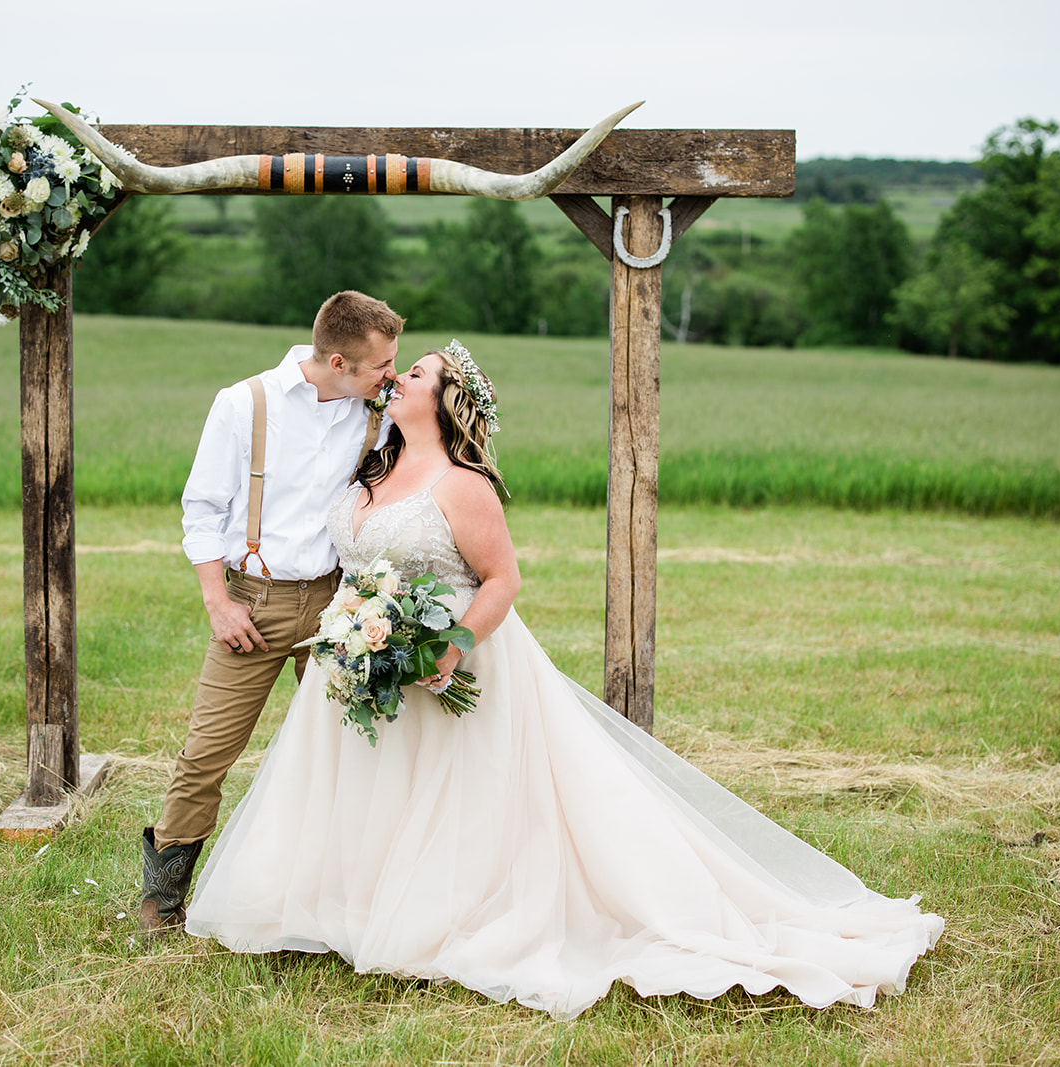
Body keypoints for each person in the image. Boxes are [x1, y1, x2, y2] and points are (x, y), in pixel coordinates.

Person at [182, 341, 945, 1017]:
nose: (398, 376)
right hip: (359, 652)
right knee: (365, 785)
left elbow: (503, 578)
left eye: (412, 372)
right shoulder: (369, 460)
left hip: (446, 654)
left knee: (457, 798)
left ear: (444, 402)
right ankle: (348, 907)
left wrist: (449, 644)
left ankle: (439, 919)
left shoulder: (462, 481)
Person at [139, 290, 404, 935]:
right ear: (338, 361)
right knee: (207, 753)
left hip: (340, 606)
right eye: (380, 366)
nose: (390, 376)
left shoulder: (376, 411)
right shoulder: (244, 404)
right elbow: (201, 509)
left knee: (351, 751)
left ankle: (343, 896)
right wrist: (218, 602)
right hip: (252, 604)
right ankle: (163, 897)